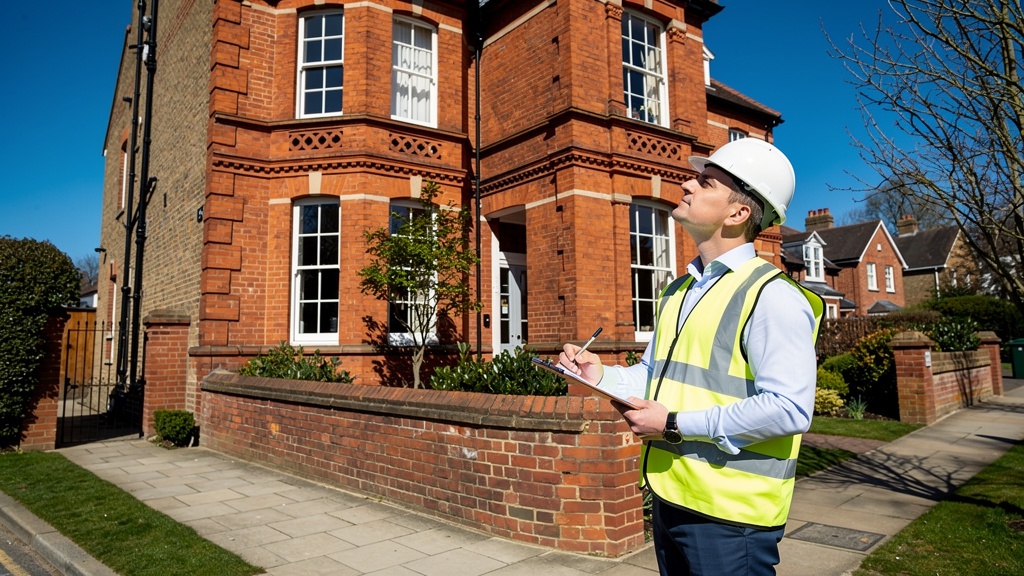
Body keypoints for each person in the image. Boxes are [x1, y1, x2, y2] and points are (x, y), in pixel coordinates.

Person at [560, 138, 824, 576]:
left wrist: (673, 425)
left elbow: (790, 409)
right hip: (670, 499)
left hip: (731, 518)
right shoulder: (679, 291)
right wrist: (600, 374)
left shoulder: (772, 296)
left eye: (704, 183)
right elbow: (655, 377)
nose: (685, 185)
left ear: (739, 213)